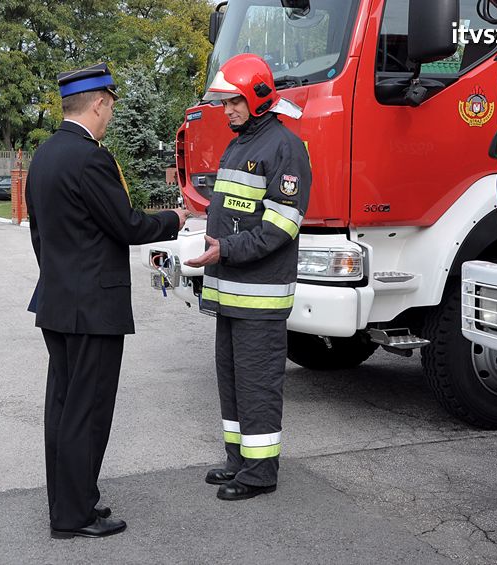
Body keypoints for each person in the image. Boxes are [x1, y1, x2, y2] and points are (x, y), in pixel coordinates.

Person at [25, 62, 191, 539]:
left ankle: (72, 504)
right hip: (93, 308)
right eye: (111, 107)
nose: (111, 116)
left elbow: (41, 235)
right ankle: (74, 515)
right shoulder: (89, 158)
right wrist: (175, 219)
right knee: (88, 411)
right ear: (99, 102)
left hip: (58, 301)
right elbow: (128, 226)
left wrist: (61, 278)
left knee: (62, 408)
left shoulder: (45, 155)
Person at [185, 53, 312, 501]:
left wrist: (228, 249)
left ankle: (260, 474)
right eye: (225, 103)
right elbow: (233, 213)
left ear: (259, 97)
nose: (229, 111)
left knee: (257, 384)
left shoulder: (284, 146)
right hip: (230, 292)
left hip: (259, 296)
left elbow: (282, 225)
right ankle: (239, 461)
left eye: (235, 102)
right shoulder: (240, 143)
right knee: (233, 380)